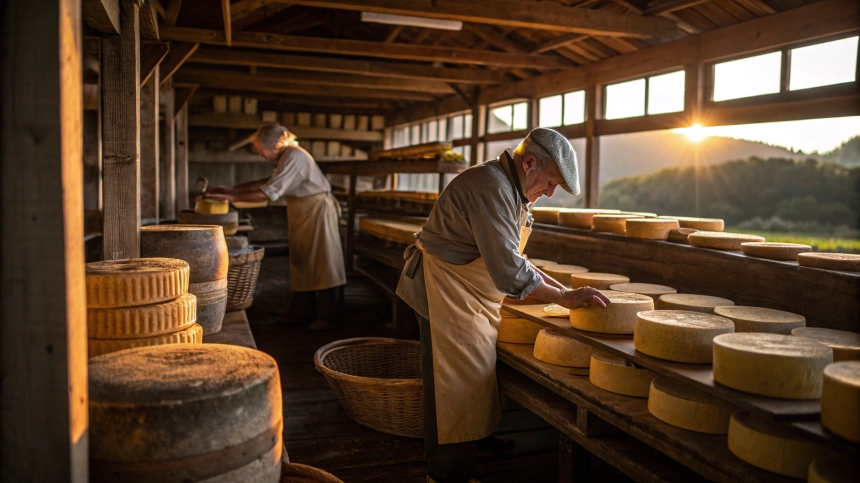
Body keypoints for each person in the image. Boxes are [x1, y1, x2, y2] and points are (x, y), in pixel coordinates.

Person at [396, 128, 610, 483]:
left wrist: (566, 292)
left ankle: (475, 442)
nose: (550, 192)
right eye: (551, 182)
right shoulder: (491, 187)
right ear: (529, 163)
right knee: (452, 389)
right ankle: (446, 474)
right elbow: (510, 271)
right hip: (443, 290)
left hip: (468, 293)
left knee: (476, 376)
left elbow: (516, 260)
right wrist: (562, 299)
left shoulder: (511, 189)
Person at [205, 123, 347, 331]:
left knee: (324, 263)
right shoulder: (287, 156)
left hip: (317, 211)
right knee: (303, 261)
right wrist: (232, 189)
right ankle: (301, 312)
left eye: (261, 149)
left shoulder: (294, 157)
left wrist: (233, 197)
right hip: (304, 210)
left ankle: (329, 317)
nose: (260, 154)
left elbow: (268, 192)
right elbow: (268, 181)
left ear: (275, 145)